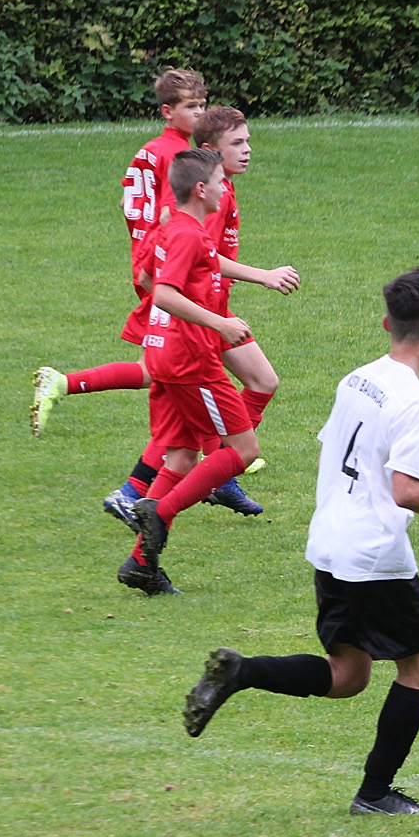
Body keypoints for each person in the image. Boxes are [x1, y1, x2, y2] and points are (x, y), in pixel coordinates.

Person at [181, 267, 419, 816]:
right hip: (374, 555)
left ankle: (242, 671)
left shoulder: (356, 379)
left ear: (385, 323)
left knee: (349, 675)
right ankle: (375, 795)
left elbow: (350, 457)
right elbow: (402, 491)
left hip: (330, 543)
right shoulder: (416, 400)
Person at [28, 71, 268, 518]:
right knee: (183, 397)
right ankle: (190, 478)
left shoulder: (154, 153)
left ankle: (203, 477)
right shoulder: (187, 164)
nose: (198, 113)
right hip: (184, 300)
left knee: (183, 395)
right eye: (192, 106)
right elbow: (189, 235)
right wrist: (258, 278)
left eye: (202, 105)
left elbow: (134, 206)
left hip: (177, 287)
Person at [101, 105, 299, 525]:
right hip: (197, 326)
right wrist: (262, 276)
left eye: (248, 141)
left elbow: (159, 264)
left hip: (207, 317)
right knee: (193, 430)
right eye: (237, 143)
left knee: (248, 391)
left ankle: (183, 486)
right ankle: (187, 483)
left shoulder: (218, 191)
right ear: (211, 151)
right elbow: (197, 255)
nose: (247, 150)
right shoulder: (211, 199)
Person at [118, 148, 266, 595]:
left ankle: (140, 564)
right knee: (241, 450)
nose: (225, 189)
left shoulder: (171, 229)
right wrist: (219, 323)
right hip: (191, 361)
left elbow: (146, 278)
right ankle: (158, 512)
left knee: (181, 456)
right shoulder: (188, 234)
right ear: (201, 189)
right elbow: (163, 293)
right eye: (220, 182)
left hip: (164, 353)